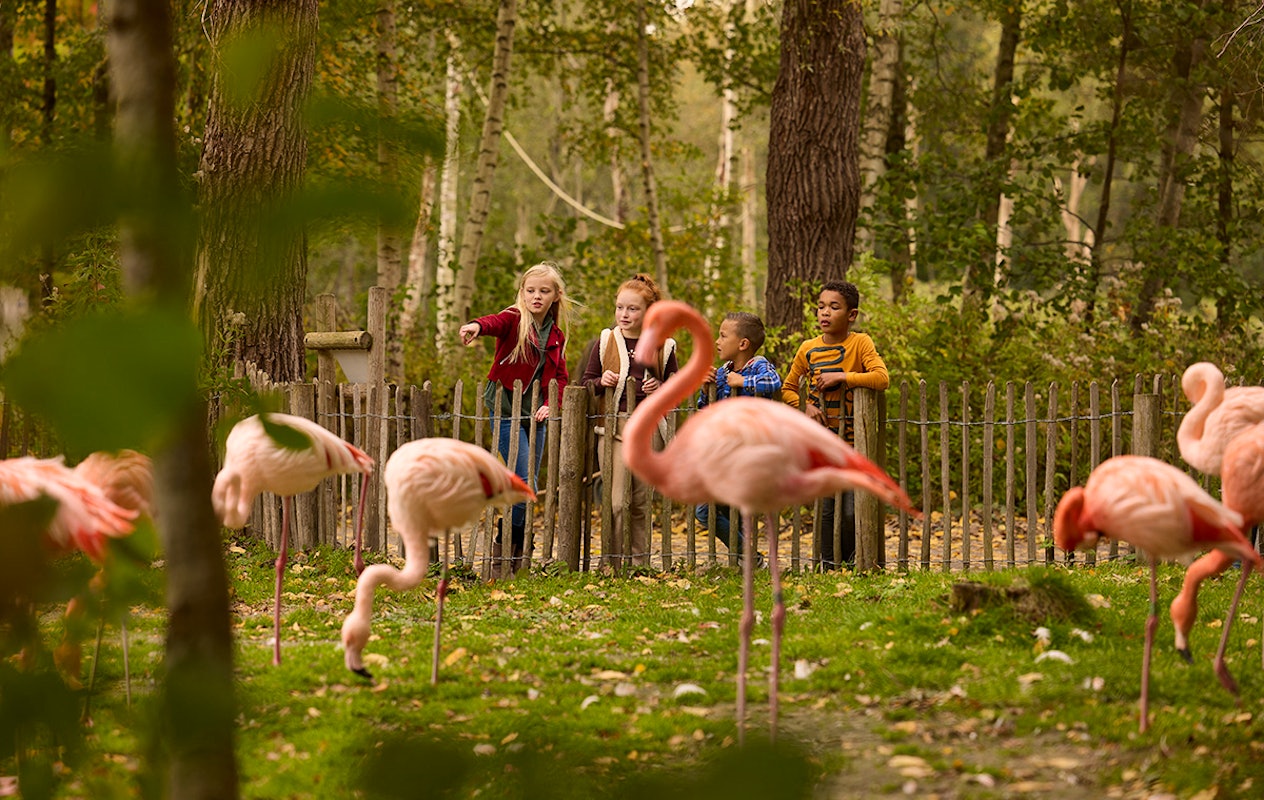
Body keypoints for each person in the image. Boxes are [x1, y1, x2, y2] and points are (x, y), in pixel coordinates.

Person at [459, 261, 573, 574]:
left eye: (544, 291)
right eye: (531, 290)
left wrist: (551, 404)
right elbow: (494, 322)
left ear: (555, 295)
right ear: (522, 292)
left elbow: (560, 376)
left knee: (528, 487)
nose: (536, 296)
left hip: (536, 416)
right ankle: (503, 552)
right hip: (506, 409)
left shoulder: (556, 336)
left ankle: (517, 553)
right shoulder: (514, 319)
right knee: (522, 483)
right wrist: (476, 326)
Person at [780, 280, 889, 570]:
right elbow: (787, 388)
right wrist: (805, 406)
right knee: (827, 509)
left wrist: (843, 376)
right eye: (821, 307)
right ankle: (828, 566)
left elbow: (881, 378)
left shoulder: (860, 343)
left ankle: (853, 564)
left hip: (854, 444)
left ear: (851, 315)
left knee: (852, 509)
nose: (825, 313)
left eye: (834, 307)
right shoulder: (808, 349)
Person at [580, 274, 679, 568]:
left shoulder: (665, 345)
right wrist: (602, 381)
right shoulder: (606, 341)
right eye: (620, 307)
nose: (624, 314)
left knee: (640, 501)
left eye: (633, 309)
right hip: (613, 428)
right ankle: (611, 561)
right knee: (616, 501)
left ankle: (638, 561)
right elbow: (586, 382)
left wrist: (661, 387)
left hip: (649, 429)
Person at [693, 312, 782, 563]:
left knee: (708, 510)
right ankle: (748, 558)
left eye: (723, 336)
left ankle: (748, 558)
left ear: (743, 344)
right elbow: (705, 410)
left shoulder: (758, 365)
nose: (717, 341)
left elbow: (774, 382)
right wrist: (706, 389)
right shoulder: (724, 372)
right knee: (715, 510)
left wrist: (744, 381)